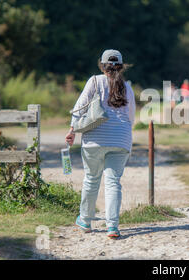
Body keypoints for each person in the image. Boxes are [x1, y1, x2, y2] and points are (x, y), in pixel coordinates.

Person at [65, 49, 135, 239]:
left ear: (102, 66)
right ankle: (112, 227)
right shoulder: (127, 87)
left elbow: (79, 108)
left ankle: (85, 221)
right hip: (121, 139)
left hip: (95, 139)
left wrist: (72, 130)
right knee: (113, 182)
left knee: (91, 179)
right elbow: (131, 117)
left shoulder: (94, 81)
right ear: (121, 66)